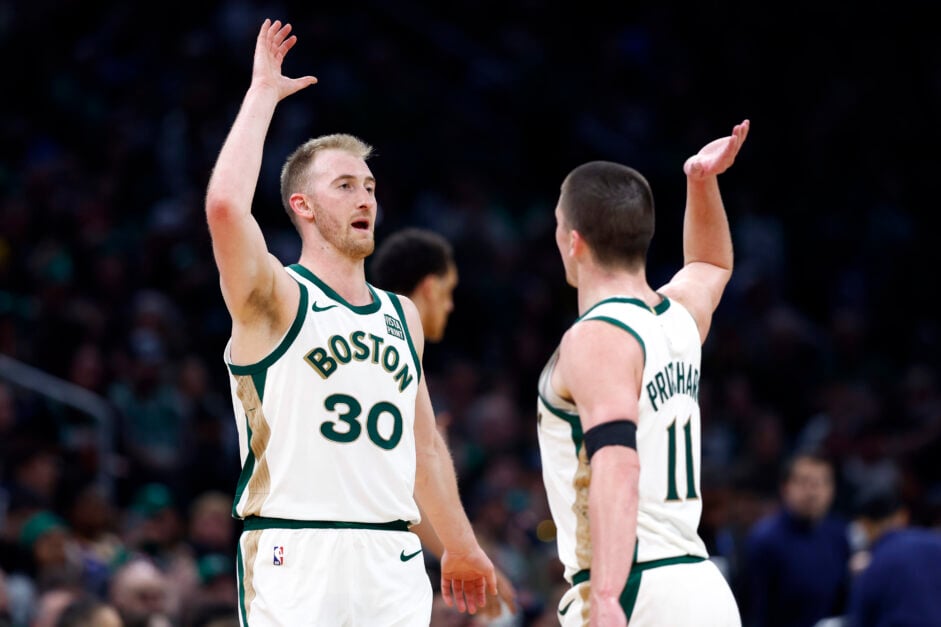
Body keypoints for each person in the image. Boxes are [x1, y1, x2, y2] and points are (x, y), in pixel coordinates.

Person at [204, 18, 496, 625]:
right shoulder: (276, 296)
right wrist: (262, 95)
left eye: (368, 185)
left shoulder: (403, 315)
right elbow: (226, 207)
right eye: (344, 186)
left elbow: (425, 445)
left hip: (391, 552)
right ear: (302, 207)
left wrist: (463, 544)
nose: (366, 198)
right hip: (296, 548)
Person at [537, 120, 750, 626]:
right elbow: (710, 263)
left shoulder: (596, 336)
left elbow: (618, 464)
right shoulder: (678, 316)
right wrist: (701, 182)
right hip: (703, 589)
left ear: (573, 241)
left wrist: (607, 596)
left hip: (637, 589)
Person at [370, 227, 519, 619]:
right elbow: (410, 497)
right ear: (430, 287)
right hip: (367, 557)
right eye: (449, 291)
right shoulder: (385, 353)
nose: (450, 306)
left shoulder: (388, 349)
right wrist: (472, 560)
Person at [743, 452, 851, 627]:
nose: (813, 491)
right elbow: (754, 610)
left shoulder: (839, 533)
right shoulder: (765, 540)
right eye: (804, 482)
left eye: (821, 482)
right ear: (785, 487)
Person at [846, 484, 941, 627]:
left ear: (865, 524)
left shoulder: (874, 563)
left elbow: (858, 618)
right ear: (903, 516)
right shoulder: (935, 543)